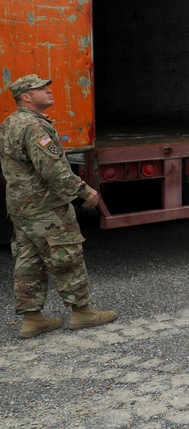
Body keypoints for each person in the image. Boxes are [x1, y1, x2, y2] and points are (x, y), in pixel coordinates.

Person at [0, 74, 116, 338]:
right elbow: (52, 170)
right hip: (44, 206)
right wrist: (84, 190)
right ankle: (82, 312)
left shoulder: (10, 123)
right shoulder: (35, 127)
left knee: (28, 259)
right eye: (41, 88)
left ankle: (32, 319)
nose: (48, 91)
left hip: (20, 206)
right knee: (66, 256)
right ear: (26, 97)